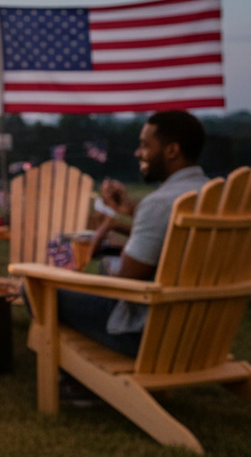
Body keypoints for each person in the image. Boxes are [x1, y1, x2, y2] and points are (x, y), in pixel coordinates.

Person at [57, 109, 211, 357]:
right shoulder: (214, 195)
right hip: (201, 332)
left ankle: (78, 379)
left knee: (38, 290)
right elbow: (172, 238)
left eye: (145, 145)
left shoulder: (160, 203)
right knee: (107, 265)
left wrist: (75, 278)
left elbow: (125, 283)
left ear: (172, 150)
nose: (138, 153)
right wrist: (127, 211)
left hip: (147, 332)